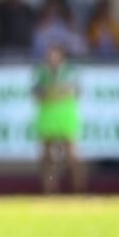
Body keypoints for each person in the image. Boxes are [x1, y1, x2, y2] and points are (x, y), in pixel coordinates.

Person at [33, 44, 86, 194]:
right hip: (48, 116)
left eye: (54, 54)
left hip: (65, 116)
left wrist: (50, 93)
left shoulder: (70, 71)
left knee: (71, 155)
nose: (51, 58)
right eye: (49, 55)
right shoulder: (41, 72)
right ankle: (50, 189)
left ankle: (79, 189)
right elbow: (37, 94)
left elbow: (72, 90)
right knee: (47, 155)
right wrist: (57, 92)